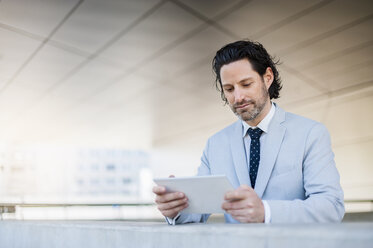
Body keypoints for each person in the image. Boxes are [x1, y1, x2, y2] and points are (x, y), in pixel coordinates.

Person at [153, 40, 345, 224]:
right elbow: (199, 211)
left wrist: (265, 212)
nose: (238, 97)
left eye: (246, 84)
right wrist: (176, 208)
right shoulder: (216, 144)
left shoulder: (311, 134)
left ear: (268, 78)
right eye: (229, 89)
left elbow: (331, 206)